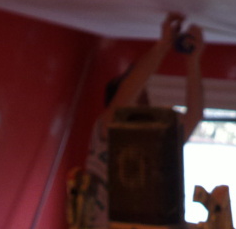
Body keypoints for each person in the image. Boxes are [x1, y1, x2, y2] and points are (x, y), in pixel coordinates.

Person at [70, 12, 205, 229]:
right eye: (141, 94)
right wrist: (165, 48)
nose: (146, 100)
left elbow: (194, 116)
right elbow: (126, 97)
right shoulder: (107, 133)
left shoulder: (153, 143)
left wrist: (192, 61)